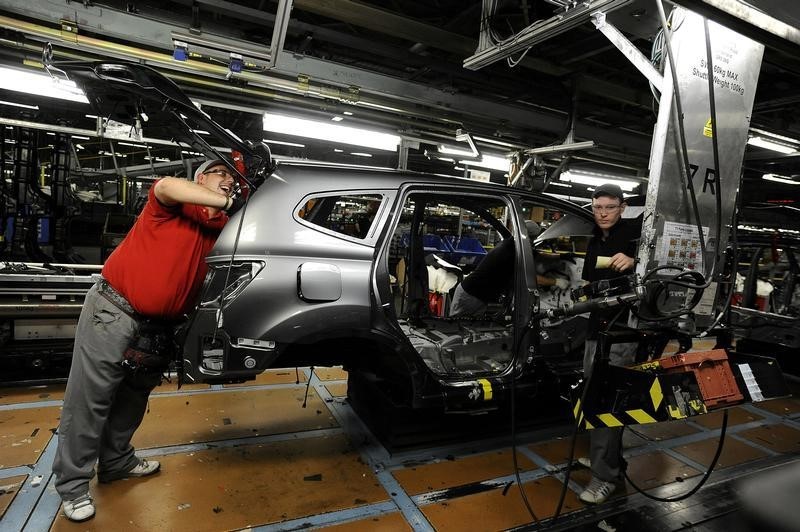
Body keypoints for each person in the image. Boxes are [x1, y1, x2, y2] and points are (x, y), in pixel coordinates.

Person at [53, 159, 237, 522]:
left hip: (158, 328)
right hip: (115, 310)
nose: (229, 181)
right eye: (221, 173)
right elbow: (166, 185)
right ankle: (73, 486)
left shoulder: (223, 228)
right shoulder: (174, 202)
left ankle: (117, 462)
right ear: (200, 178)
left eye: (233, 179)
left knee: (132, 398)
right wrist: (230, 202)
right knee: (90, 399)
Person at [578, 183, 641, 504]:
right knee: (592, 395)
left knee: (608, 402)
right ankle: (607, 458)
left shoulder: (635, 232)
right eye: (597, 207)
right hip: (596, 327)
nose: (603, 213)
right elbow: (589, 278)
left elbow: (670, 254)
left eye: (609, 207)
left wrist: (635, 260)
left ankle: (605, 477)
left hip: (621, 331)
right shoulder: (594, 235)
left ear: (623, 206)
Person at [449, 220, 569, 316]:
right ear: (527, 238)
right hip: (470, 296)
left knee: (472, 330)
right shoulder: (510, 253)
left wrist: (562, 256)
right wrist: (556, 282)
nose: (533, 242)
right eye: (533, 239)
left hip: (478, 296)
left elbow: (538, 254)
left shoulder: (513, 244)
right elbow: (528, 277)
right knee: (458, 329)